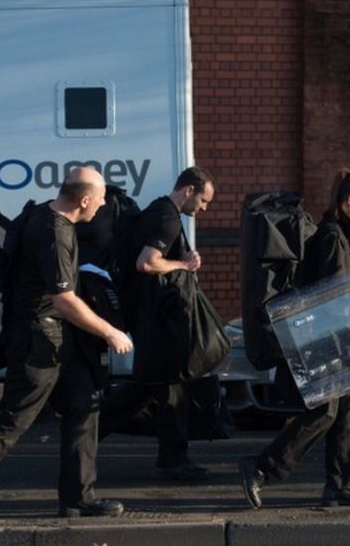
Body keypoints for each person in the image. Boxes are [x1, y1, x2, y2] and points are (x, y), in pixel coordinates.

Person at [0, 166, 133, 524]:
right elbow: (64, 300)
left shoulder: (42, 212)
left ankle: (78, 498)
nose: (103, 206)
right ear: (85, 199)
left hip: (56, 338)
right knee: (15, 417)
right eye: (101, 199)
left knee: (84, 407)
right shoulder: (54, 232)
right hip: (37, 341)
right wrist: (110, 331)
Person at [240, 168, 350, 509]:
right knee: (324, 413)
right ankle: (261, 468)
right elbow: (335, 296)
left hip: (323, 338)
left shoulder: (334, 234)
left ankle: (342, 485)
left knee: (346, 409)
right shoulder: (332, 236)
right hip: (325, 340)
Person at [97, 166, 216, 481]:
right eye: (203, 201)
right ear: (188, 190)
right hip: (158, 318)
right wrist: (183, 264)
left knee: (154, 387)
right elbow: (147, 262)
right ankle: (172, 460)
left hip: (149, 315)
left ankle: (88, 432)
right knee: (168, 384)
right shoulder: (166, 217)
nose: (203, 208)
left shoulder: (156, 212)